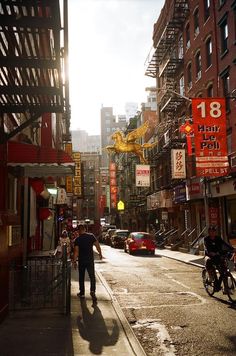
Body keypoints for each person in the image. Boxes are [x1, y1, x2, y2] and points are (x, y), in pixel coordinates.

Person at [73, 224, 103, 302]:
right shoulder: (91, 236)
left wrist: (74, 261)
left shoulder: (77, 239)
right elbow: (97, 245)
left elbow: (76, 252)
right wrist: (100, 253)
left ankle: (82, 293)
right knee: (92, 276)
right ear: (85, 229)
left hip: (82, 261)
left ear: (78, 231)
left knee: (81, 277)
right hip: (90, 260)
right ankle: (92, 291)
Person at [204, 225, 235, 291]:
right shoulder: (206, 239)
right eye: (210, 232)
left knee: (224, 270)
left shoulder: (218, 238)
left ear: (215, 232)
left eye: (213, 232)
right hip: (210, 255)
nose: (212, 233)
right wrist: (211, 253)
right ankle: (210, 277)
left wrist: (232, 249)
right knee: (208, 261)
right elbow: (207, 248)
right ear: (209, 232)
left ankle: (226, 288)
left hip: (218, 255)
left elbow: (225, 244)